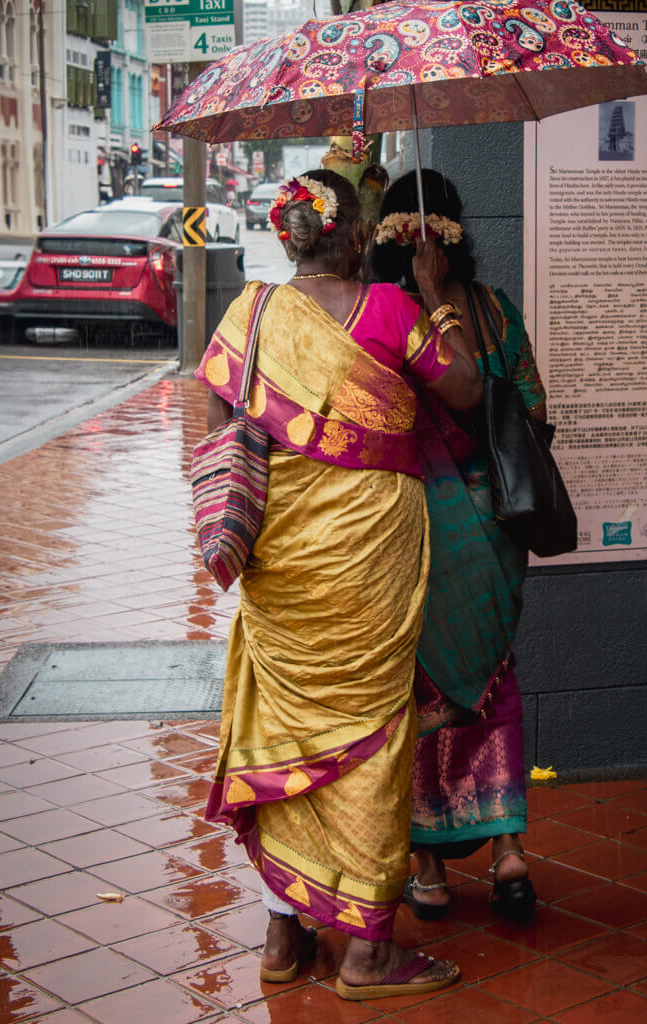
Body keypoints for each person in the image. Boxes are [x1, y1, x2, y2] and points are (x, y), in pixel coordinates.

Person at [196, 170, 482, 1000]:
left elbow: (217, 423)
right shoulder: (391, 312)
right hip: (370, 556)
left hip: (279, 554)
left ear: (289, 237)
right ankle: (366, 954)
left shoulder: (247, 316)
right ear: (354, 236)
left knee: (282, 728)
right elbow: (464, 391)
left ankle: (284, 937)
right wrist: (435, 295)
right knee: (370, 735)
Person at [368, 169, 547, 921]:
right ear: (454, 229)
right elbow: (534, 412)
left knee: (418, 690)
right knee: (492, 681)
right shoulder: (495, 309)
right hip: (498, 527)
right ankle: (508, 856)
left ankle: (429, 868)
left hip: (411, 527)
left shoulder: (380, 319)